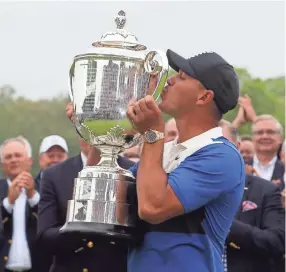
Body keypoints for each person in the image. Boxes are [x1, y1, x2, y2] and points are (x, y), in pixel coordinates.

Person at [124, 50, 245, 271]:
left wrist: (152, 134)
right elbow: (117, 196)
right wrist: (104, 124)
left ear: (204, 97)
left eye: (182, 77)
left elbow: (153, 206)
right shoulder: (165, 149)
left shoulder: (222, 156)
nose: (169, 80)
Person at [37, 103, 135, 272]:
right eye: (88, 125)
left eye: (99, 125)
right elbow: (45, 236)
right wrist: (82, 227)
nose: (93, 133)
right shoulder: (54, 175)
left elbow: (139, 233)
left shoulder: (131, 170)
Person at [219, 120, 285, 272]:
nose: (213, 151)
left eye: (221, 143)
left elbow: (277, 242)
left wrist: (225, 225)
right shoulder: (181, 188)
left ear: (237, 147)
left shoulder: (265, 191)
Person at [0, 136, 40, 272]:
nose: (13, 160)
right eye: (8, 157)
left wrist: (33, 196)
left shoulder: (45, 188)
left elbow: (50, 225)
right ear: (2, 164)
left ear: (29, 161)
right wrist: (8, 203)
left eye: (18, 155)